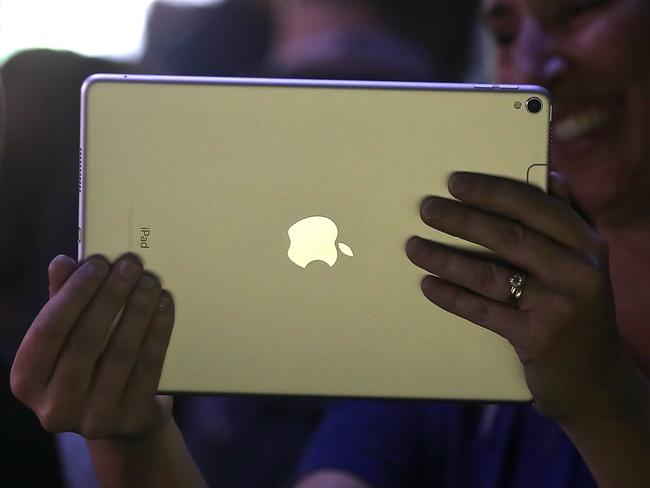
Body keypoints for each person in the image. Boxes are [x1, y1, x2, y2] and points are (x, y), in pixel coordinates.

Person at [7, 1, 650, 488]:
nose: (538, 65)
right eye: (505, 33)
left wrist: (605, 407)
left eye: (577, 9)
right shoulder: (456, 339)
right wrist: (133, 441)